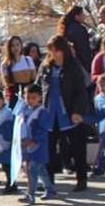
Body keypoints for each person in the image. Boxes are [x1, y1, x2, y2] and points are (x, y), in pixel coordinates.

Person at [37, 35, 91, 192]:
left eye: (56, 49)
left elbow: (81, 92)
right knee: (49, 148)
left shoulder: (74, 67)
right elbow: (38, 87)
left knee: (77, 147)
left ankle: (81, 179)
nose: (53, 53)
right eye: (51, 50)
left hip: (69, 112)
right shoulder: (45, 67)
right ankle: (48, 181)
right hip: (49, 113)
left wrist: (78, 111)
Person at [19, 84, 58, 204]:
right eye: (27, 97)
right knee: (41, 170)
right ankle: (50, 189)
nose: (30, 100)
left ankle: (30, 194)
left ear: (39, 98)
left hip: (38, 146)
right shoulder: (24, 111)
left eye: (33, 97)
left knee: (32, 170)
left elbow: (44, 129)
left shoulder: (42, 112)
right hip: (27, 146)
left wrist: (34, 140)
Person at [58, 5, 96, 76]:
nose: (84, 16)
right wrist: (89, 65)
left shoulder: (66, 28)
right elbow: (83, 49)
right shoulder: (79, 29)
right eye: (82, 14)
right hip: (81, 64)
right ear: (76, 16)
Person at [0, 35, 36, 107]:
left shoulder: (28, 60)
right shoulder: (5, 64)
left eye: (17, 45)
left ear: (21, 46)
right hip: (15, 99)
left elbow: (33, 79)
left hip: (29, 97)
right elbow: (8, 84)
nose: (15, 48)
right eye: (12, 45)